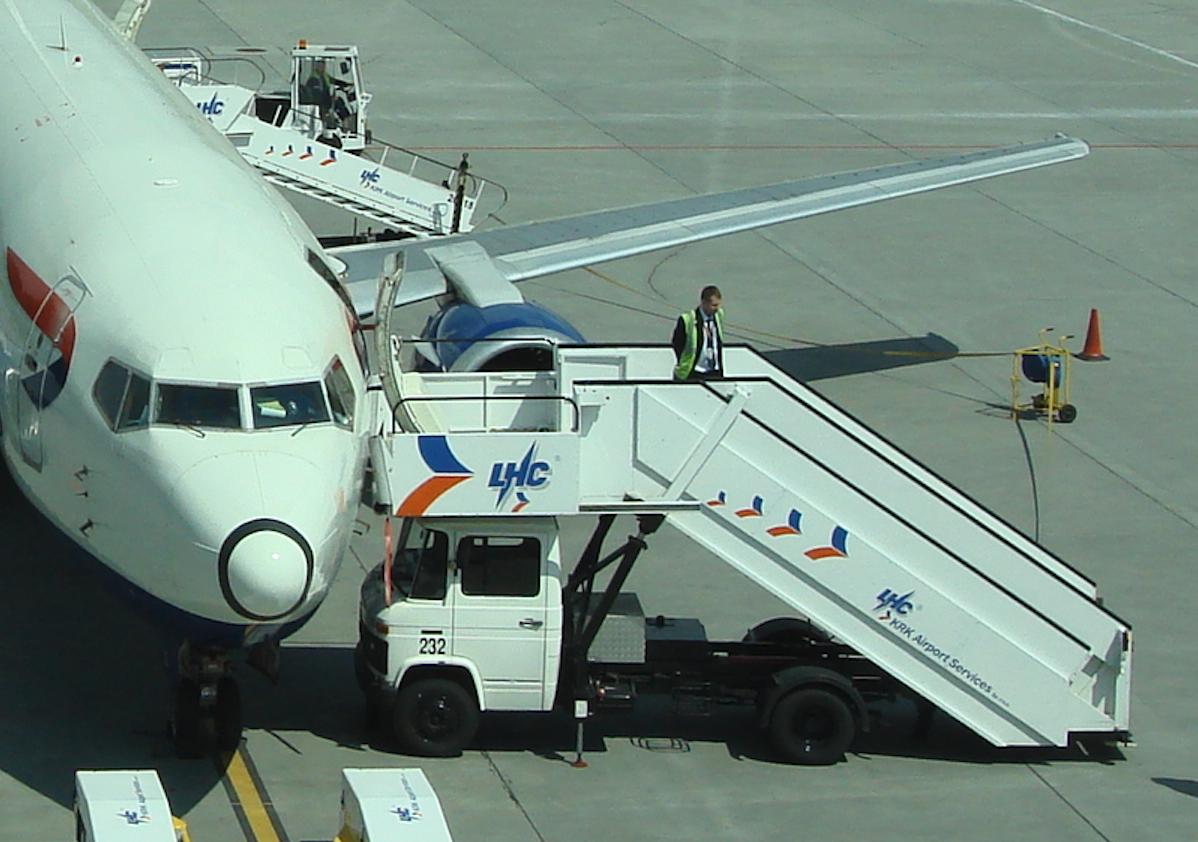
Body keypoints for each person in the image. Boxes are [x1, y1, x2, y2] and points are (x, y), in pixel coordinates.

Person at [672, 285, 725, 380]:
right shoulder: (688, 320)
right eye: (714, 305)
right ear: (704, 303)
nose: (717, 308)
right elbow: (677, 344)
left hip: (714, 372)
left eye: (718, 304)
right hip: (694, 372)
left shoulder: (718, 316)